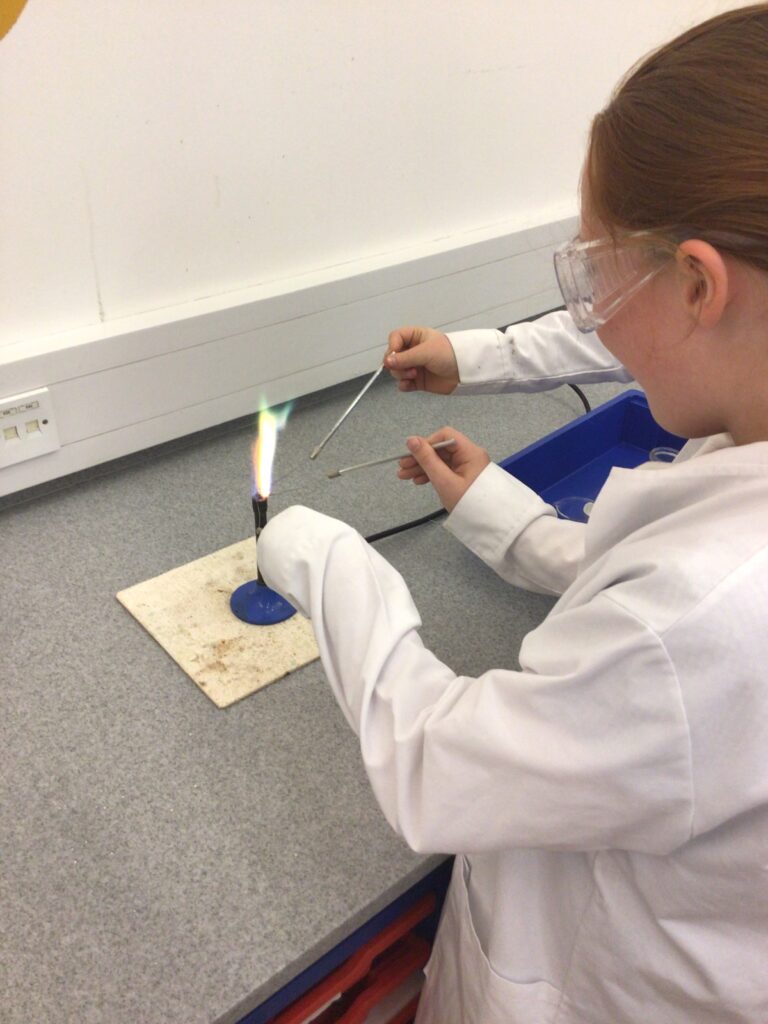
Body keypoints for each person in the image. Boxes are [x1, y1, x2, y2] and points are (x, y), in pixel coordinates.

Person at [259, 5, 768, 1021]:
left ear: (698, 285)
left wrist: (322, 558)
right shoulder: (738, 450)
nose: (592, 313)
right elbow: (662, 602)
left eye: (596, 267)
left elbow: (436, 764)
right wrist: (501, 506)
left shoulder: (703, 613)